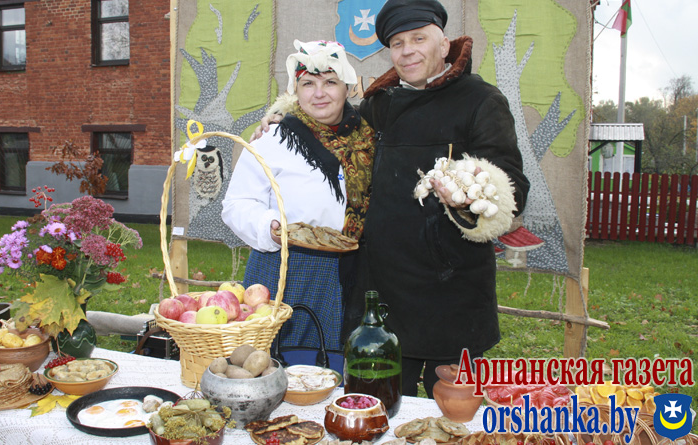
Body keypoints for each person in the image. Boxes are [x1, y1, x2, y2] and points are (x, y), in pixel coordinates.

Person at [255, 0, 529, 397]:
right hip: (380, 294)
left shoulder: (480, 100)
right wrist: (286, 118)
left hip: (450, 294)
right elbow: (331, 122)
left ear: (444, 44)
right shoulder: (379, 104)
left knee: (451, 413)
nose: (407, 51)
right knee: (377, 406)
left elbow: (513, 188)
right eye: (397, 43)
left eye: (419, 39)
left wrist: (471, 196)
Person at [222, 40, 375, 353]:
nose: (319, 93)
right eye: (308, 84)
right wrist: (269, 226)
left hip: (354, 271)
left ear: (348, 87)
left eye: (330, 82)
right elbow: (236, 204)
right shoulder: (272, 139)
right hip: (285, 268)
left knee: (336, 362)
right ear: (295, 90)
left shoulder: (369, 138)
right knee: (274, 360)